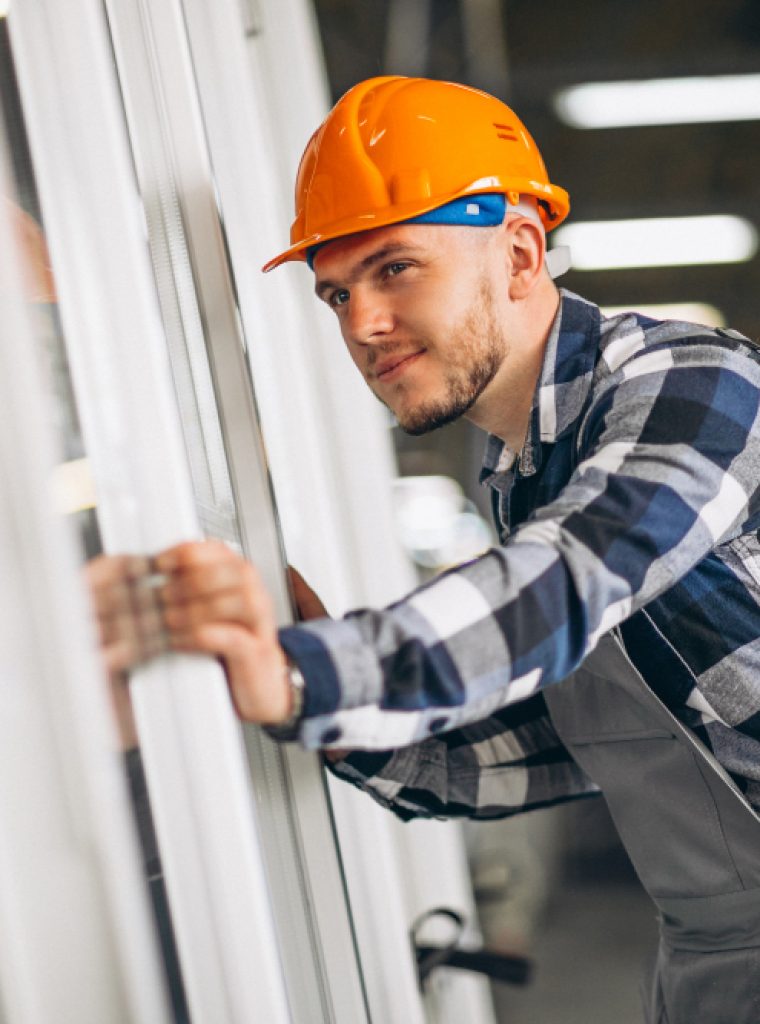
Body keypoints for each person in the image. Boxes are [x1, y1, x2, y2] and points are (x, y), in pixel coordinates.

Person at [91, 77, 760, 1023]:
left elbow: (574, 575)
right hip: (707, 956)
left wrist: (307, 672)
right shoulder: (516, 466)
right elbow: (567, 746)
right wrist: (300, 686)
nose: (361, 325)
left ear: (521, 252)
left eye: (396, 268)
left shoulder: (695, 384)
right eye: (337, 293)